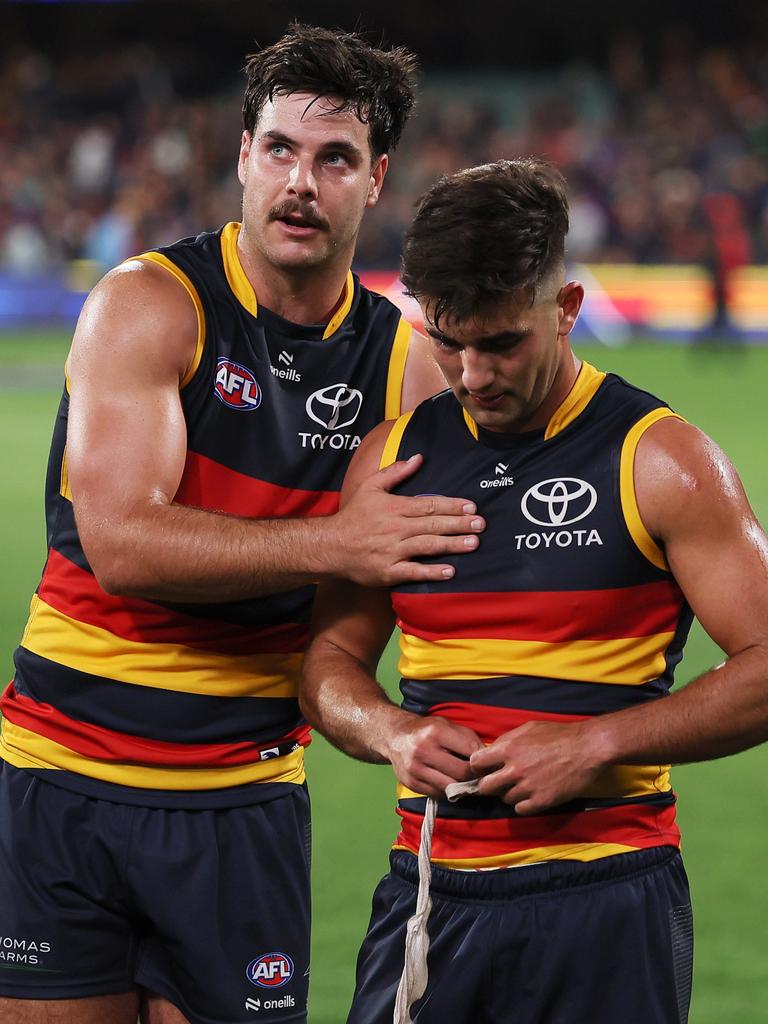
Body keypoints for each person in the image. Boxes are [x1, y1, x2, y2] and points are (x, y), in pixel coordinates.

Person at [0, 25, 486, 1024]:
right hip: (63, 780)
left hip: (241, 799)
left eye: (335, 158)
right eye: (280, 150)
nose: (302, 183)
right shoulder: (149, 303)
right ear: (242, 158)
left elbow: (367, 621)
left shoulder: (405, 367)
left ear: (377, 179)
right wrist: (335, 540)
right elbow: (124, 544)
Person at [300, 157, 768, 1024]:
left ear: (566, 310)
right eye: (448, 340)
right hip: (432, 893)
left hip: (609, 899)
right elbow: (329, 662)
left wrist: (599, 743)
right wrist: (388, 728)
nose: (473, 374)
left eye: (501, 342)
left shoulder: (663, 461)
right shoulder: (392, 462)